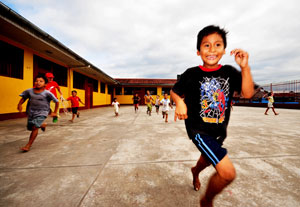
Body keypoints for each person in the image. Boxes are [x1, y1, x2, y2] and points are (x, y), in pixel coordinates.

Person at [170, 25, 254, 207]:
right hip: (199, 131)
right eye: (206, 45)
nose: (212, 50)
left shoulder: (230, 72)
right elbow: (174, 91)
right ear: (198, 51)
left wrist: (245, 68)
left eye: (217, 45)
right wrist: (179, 102)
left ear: (224, 50)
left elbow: (247, 93)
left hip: (219, 131)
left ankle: (195, 171)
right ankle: (206, 201)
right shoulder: (191, 73)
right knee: (227, 173)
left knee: (206, 160)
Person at [17, 75, 59, 152]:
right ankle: (42, 124)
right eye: (36, 81)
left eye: (41, 81)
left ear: (45, 84)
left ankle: (28, 145)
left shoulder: (47, 93)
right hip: (31, 112)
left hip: (42, 112)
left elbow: (57, 102)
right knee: (30, 127)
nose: (38, 83)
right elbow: (24, 98)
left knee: (34, 127)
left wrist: (55, 112)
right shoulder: (29, 91)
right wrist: (19, 105)